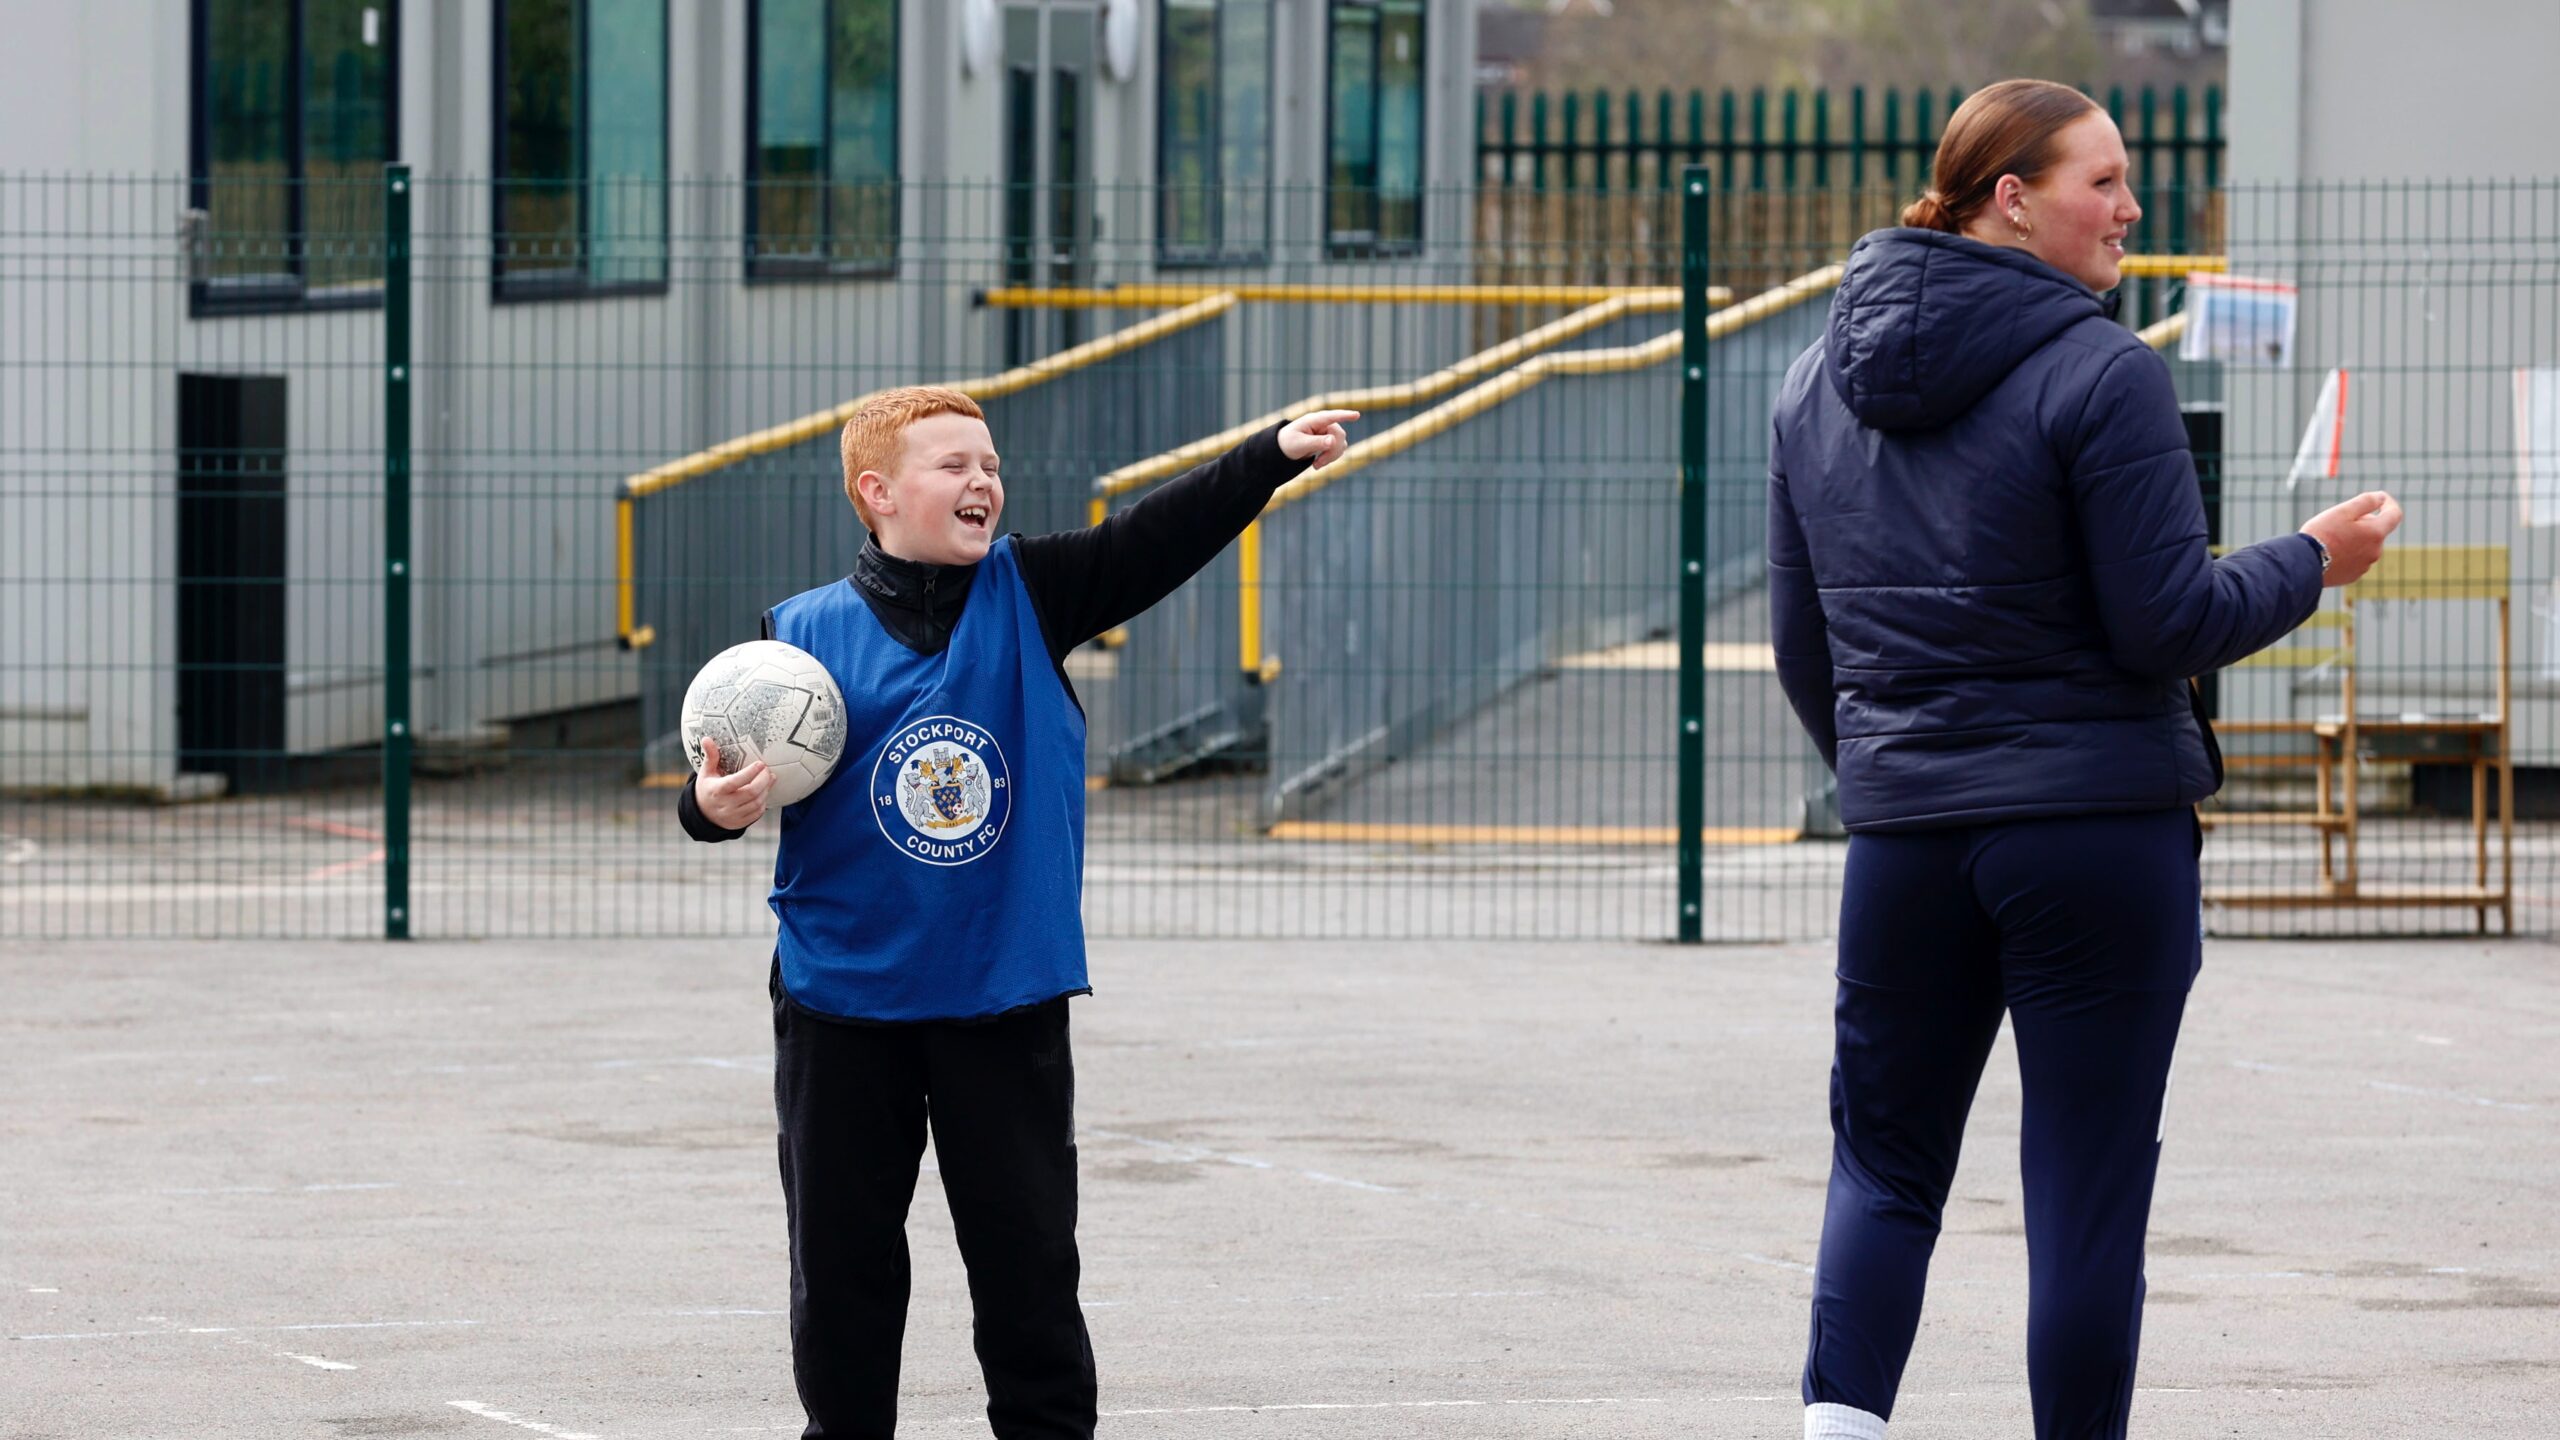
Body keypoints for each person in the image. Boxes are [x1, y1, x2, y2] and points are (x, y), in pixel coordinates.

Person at [1765, 79, 2402, 1440]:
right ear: (2013, 197)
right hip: (2093, 832)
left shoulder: (1813, 383)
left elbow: (1801, 649)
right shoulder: (2107, 370)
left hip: (1905, 840)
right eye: (2102, 181)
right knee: (2086, 1190)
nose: (2131, 207)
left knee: (1882, 1168)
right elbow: (2168, 621)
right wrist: (2312, 561)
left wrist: (1895, 776)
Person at [676, 387, 1358, 1439]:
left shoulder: (1035, 591)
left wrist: (1264, 457)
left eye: (988, 464)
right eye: (952, 465)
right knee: (843, 1276)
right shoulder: (791, 648)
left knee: (1028, 1269)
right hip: (843, 1001)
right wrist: (706, 809)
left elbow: (1155, 535)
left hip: (1002, 995)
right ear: (878, 492)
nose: (982, 481)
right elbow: (724, 787)